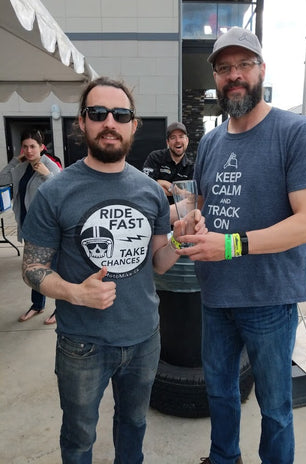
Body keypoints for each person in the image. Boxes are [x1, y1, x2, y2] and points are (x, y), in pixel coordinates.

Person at [20, 77, 205, 464]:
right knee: (79, 434)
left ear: (133, 124)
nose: (109, 121)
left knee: (134, 424)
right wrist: (74, 292)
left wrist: (178, 240)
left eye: (120, 114)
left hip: (144, 338)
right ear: (82, 122)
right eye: (98, 113)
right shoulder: (56, 191)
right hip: (82, 344)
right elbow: (33, 266)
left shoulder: (150, 191)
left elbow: (158, 261)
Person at [175, 27, 306, 464]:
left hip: (269, 298)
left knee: (275, 408)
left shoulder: (295, 132)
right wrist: (189, 217)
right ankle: (225, 458)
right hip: (216, 296)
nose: (234, 75)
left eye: (244, 65)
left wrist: (233, 245)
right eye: (224, 68)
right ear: (217, 79)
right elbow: (204, 203)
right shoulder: (212, 140)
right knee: (220, 393)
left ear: (262, 70)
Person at [0, 129, 61, 325]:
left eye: (32, 146)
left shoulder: (50, 166)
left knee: (57, 269)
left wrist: (47, 175)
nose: (28, 150)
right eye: (25, 146)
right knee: (34, 269)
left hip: (48, 229)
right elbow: (2, 180)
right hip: (27, 227)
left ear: (42, 147)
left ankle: (61, 309)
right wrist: (15, 161)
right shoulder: (21, 167)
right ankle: (37, 305)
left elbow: (61, 192)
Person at [142, 121, 194, 203]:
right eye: (173, 137)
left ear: (187, 140)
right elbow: (146, 184)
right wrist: (175, 189)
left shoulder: (191, 167)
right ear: (168, 142)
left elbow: (190, 196)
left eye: (181, 137)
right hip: (155, 210)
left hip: (179, 213)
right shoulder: (155, 157)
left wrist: (160, 182)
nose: (178, 141)